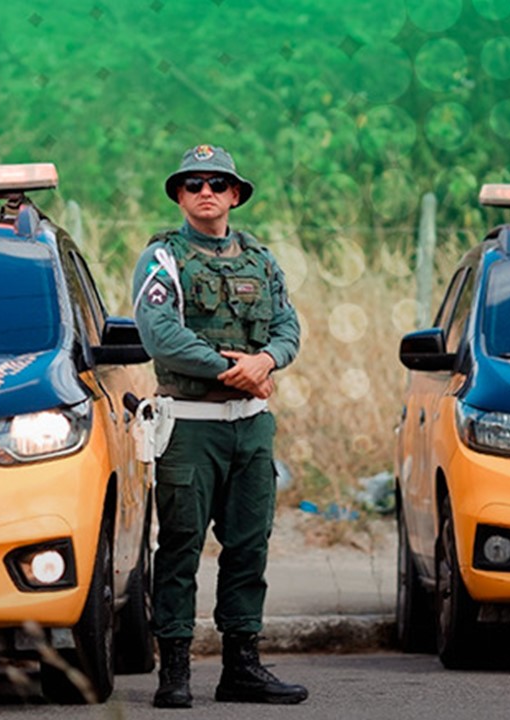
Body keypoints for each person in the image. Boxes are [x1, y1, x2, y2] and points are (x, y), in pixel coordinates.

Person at [131, 145, 306, 707]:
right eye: (193, 184)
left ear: (234, 194)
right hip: (189, 427)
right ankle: (175, 673)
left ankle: (242, 668)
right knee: (180, 548)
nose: (205, 191)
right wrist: (235, 371)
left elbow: (288, 326)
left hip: (251, 428)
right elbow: (160, 335)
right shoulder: (162, 258)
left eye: (216, 183)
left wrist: (267, 361)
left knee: (249, 548)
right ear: (179, 196)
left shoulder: (262, 260)